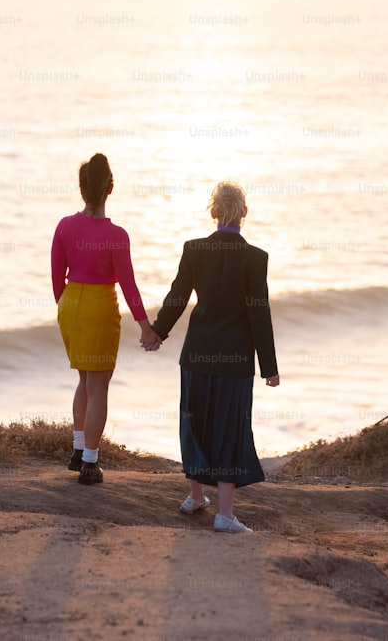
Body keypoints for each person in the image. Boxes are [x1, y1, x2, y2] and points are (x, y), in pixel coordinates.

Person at [152, 181, 280, 533]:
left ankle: (195, 496)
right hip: (235, 361)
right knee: (229, 428)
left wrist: (157, 333)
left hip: (196, 354)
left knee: (195, 423)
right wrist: (269, 367)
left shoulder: (194, 250)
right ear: (244, 213)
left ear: (213, 213)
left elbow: (177, 297)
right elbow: (259, 313)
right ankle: (224, 515)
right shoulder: (256, 258)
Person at [51, 153, 161, 485]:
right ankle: (89, 462)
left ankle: (77, 449)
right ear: (110, 188)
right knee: (99, 387)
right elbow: (128, 286)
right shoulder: (116, 235)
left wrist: (68, 309)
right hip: (99, 306)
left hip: (70, 305)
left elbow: (57, 278)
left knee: (85, 381)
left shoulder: (64, 226)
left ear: (81, 188)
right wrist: (146, 327)